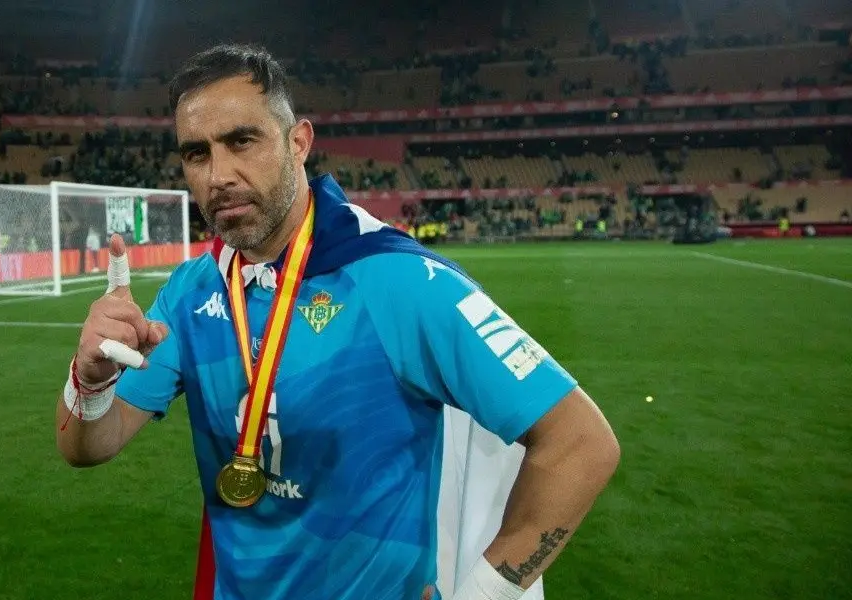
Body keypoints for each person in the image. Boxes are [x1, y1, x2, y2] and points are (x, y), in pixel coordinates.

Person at [56, 44, 620, 600]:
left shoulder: (394, 280)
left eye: (241, 141)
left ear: (298, 142)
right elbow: (87, 447)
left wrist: (482, 594)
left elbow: (580, 442)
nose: (218, 175)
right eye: (197, 154)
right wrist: (90, 381)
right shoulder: (191, 292)